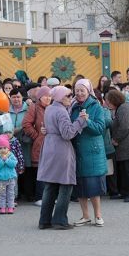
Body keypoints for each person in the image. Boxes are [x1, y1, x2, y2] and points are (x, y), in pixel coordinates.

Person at [37, 86, 88, 230]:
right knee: (65, 185)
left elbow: (47, 127)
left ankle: (44, 220)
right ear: (60, 97)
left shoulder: (49, 108)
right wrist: (80, 120)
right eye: (68, 95)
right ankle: (59, 220)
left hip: (49, 146)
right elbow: (68, 133)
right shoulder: (61, 111)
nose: (71, 98)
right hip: (60, 149)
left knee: (51, 185)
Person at [70, 79, 107, 226]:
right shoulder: (72, 107)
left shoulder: (96, 106)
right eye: (77, 90)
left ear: (88, 91)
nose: (79, 93)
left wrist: (87, 121)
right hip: (77, 150)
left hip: (92, 151)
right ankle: (85, 216)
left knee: (93, 186)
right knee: (80, 187)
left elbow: (100, 128)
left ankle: (98, 215)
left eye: (82, 91)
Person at [22, 86, 51, 205]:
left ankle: (50, 196)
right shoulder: (34, 107)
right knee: (41, 170)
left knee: (51, 170)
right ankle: (40, 196)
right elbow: (26, 124)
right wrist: (36, 135)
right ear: (40, 97)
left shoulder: (53, 107)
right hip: (40, 144)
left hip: (53, 142)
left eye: (50, 96)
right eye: (46, 96)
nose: (48, 98)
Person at [0, 134, 18, 214]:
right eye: (0, 148)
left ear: (8, 148)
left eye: (4, 148)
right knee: (2, 194)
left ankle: (10, 207)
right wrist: (2, 161)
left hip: (10, 179)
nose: (3, 150)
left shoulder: (11, 155)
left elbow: (14, 164)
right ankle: (2, 207)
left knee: (11, 194)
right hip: (1, 180)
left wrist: (6, 160)